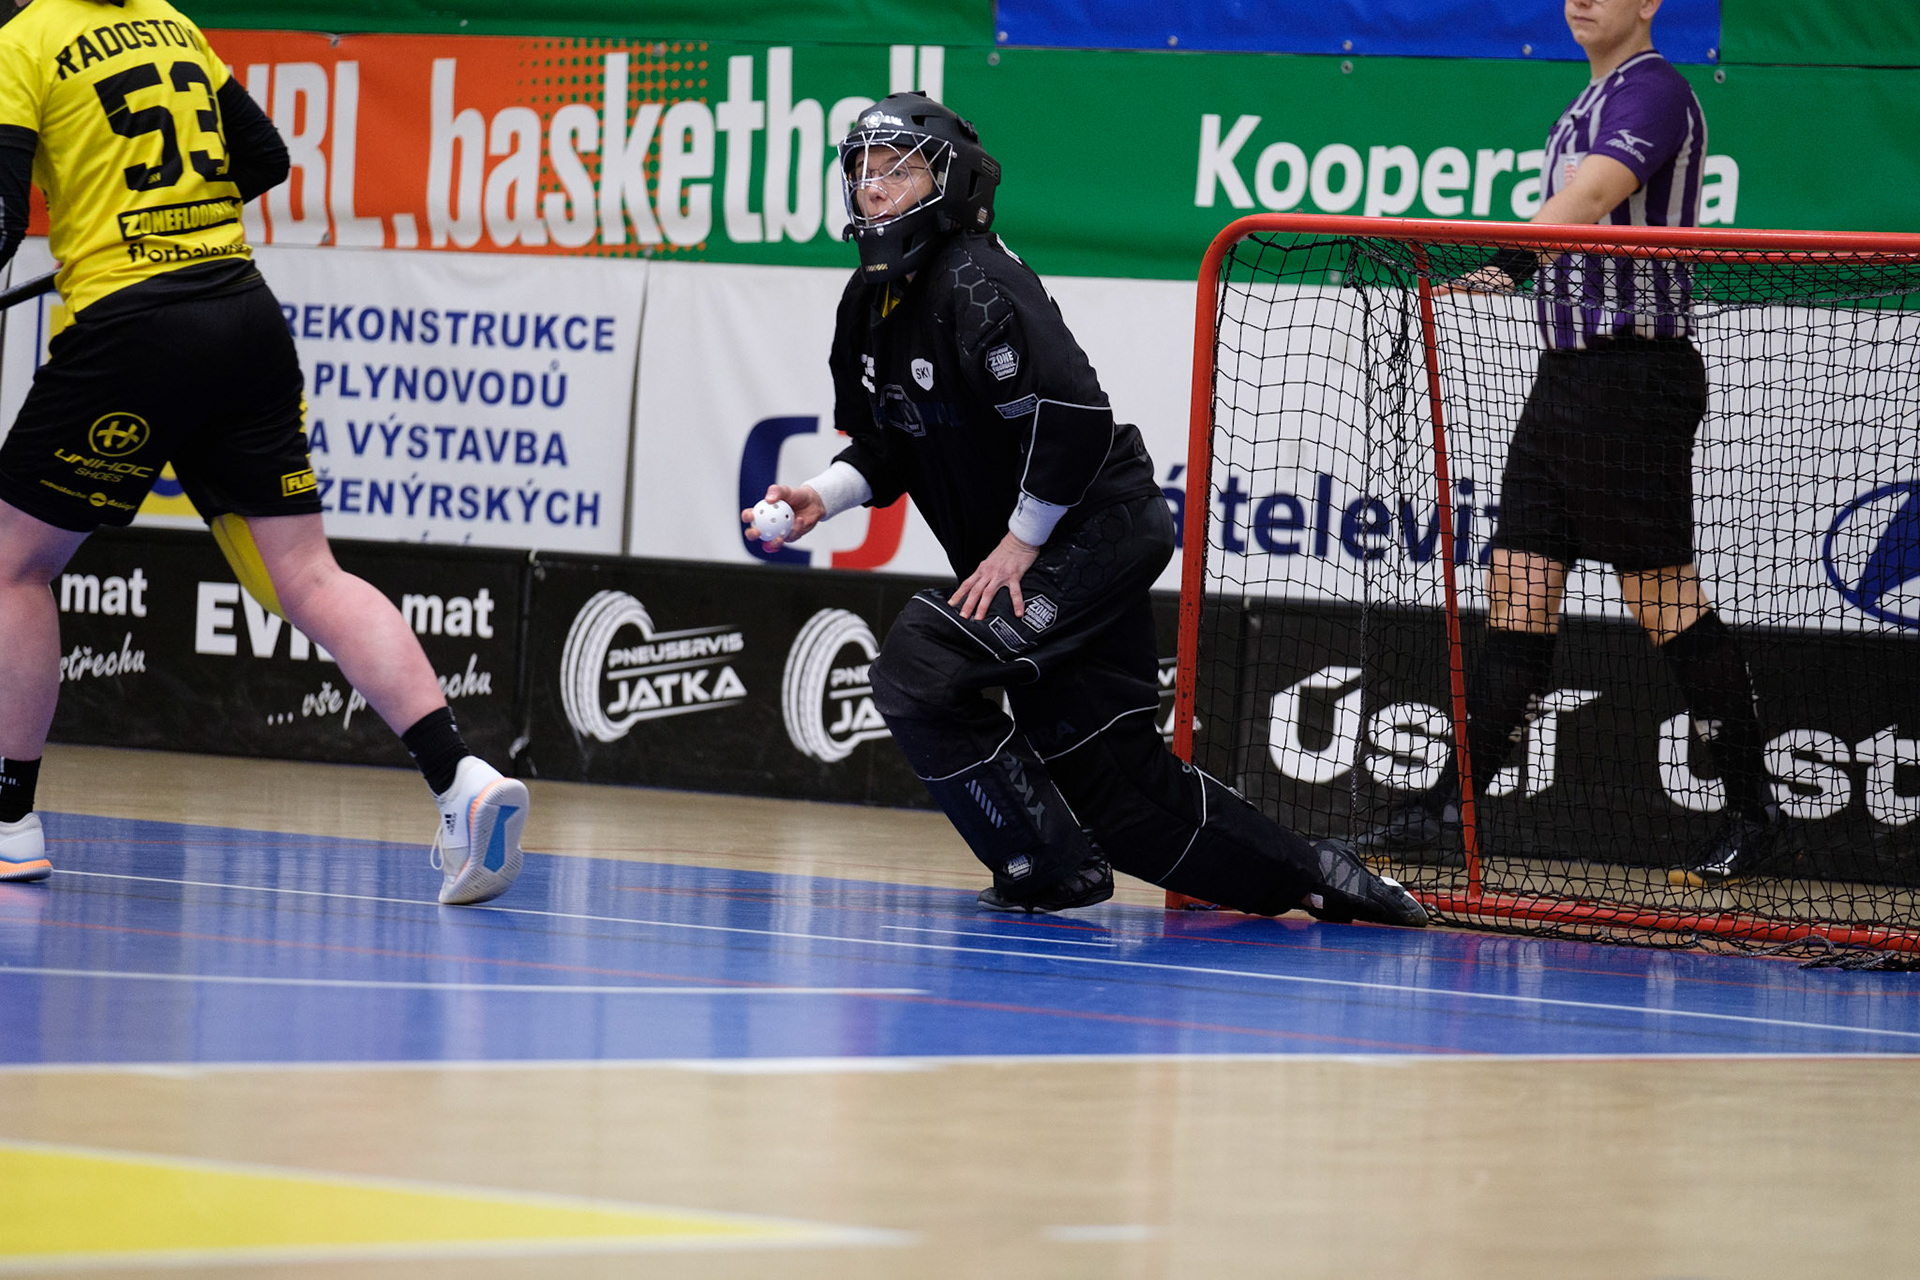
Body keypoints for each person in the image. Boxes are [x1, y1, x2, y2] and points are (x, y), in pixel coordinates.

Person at [743, 92, 1425, 926]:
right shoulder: (866, 304)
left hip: (1097, 533)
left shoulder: (980, 282)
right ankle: (1318, 877)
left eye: (899, 169)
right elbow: (888, 446)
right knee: (1125, 797)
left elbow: (1072, 419)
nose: (874, 187)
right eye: (862, 172)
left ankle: (1050, 867)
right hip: (1044, 553)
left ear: (952, 183)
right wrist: (821, 495)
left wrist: (1019, 543)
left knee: (922, 660)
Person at [0, 0, 526, 903]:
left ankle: (9, 821)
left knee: (13, 566)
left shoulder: (23, 41)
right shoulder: (171, 22)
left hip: (131, 330)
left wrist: (111, 233)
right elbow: (265, 157)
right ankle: (461, 778)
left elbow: (3, 213)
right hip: (243, 314)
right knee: (311, 576)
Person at [1355, 0, 1778, 887]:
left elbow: (1589, 201)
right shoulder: (1585, 99)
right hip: (1567, 379)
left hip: (1633, 378)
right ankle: (1448, 809)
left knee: (1661, 596)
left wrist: (1507, 265)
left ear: (1649, 3)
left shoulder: (1655, 91)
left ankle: (1755, 813)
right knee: (1518, 587)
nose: (1581, 1)